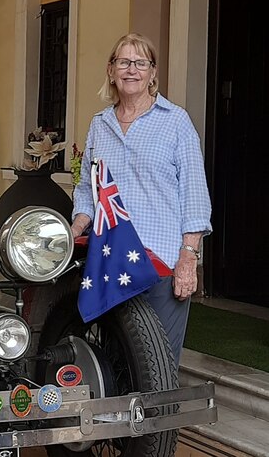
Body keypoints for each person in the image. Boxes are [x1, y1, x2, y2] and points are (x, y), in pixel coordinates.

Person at [70, 32, 212, 367]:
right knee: (114, 360)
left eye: (140, 62)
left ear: (152, 73)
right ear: (111, 70)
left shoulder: (175, 121)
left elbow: (195, 194)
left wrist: (188, 259)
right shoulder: (99, 124)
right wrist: (75, 225)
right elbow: (86, 189)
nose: (131, 69)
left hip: (160, 262)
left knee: (157, 367)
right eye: (123, 61)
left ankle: (159, 421)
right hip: (111, 261)